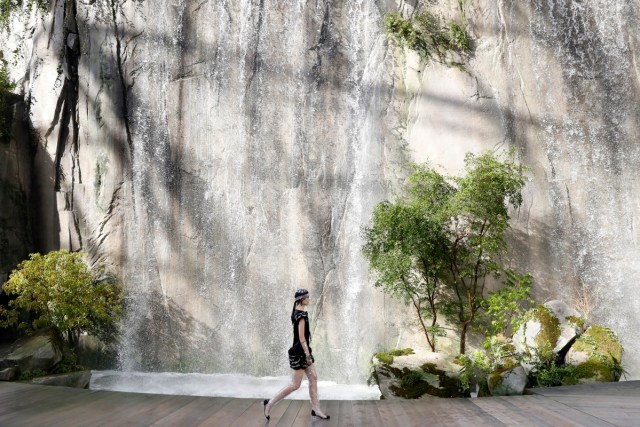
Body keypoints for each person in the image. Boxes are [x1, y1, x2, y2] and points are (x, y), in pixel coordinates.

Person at [262, 289, 330, 420]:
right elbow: (301, 337)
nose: (309, 299)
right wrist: (308, 354)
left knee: (313, 378)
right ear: (301, 299)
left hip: (302, 351)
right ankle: (269, 403)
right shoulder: (301, 316)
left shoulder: (299, 312)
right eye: (307, 297)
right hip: (300, 353)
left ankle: (316, 408)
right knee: (295, 385)